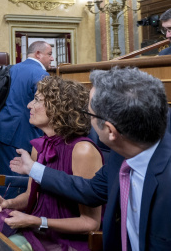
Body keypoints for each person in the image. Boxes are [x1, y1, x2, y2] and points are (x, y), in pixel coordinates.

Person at [10, 67, 171, 251]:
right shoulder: (122, 154)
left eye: (88, 113)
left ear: (110, 131)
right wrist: (33, 169)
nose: (84, 119)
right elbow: (89, 190)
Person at [0, 76, 103, 251]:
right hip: (37, 231)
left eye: (37, 100)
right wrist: (7, 203)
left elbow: (90, 223)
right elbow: (29, 197)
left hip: (67, 242)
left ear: (59, 108)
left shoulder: (83, 151)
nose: (29, 105)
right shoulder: (40, 146)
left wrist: (37, 221)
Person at [0, 41, 52, 199]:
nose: (52, 58)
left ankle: (0, 212)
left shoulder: (12, 68)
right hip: (19, 134)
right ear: (38, 54)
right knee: (17, 181)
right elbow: (46, 107)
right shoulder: (41, 75)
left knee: (6, 176)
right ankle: (8, 217)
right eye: (49, 54)